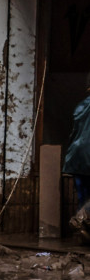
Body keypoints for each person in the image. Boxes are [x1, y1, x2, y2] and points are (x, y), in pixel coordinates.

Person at [63, 78, 90, 240]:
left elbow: (74, 133)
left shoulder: (80, 106)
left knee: (83, 197)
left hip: (76, 156)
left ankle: (82, 229)